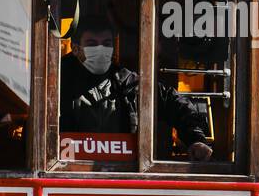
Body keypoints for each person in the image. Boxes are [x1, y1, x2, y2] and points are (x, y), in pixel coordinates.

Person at [59, 17, 213, 162]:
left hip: (121, 173)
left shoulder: (127, 82)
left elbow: (173, 102)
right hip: (67, 173)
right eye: (92, 44)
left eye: (106, 43)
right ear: (75, 48)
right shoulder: (55, 82)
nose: (100, 49)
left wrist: (195, 139)